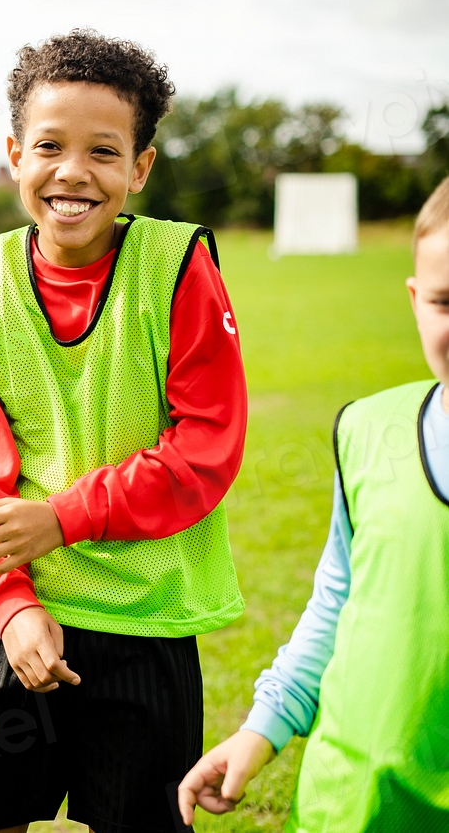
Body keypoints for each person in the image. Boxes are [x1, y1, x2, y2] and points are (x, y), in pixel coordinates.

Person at [0, 30, 248, 833]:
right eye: (49, 145)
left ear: (139, 168)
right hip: (21, 615)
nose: (72, 172)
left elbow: (204, 450)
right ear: (14, 154)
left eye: (103, 152)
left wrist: (61, 517)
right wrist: (8, 604)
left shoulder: (177, 264)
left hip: (143, 626)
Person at [178, 176, 449, 830]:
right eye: (446, 301)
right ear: (414, 300)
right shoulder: (366, 429)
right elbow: (338, 599)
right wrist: (261, 728)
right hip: (352, 798)